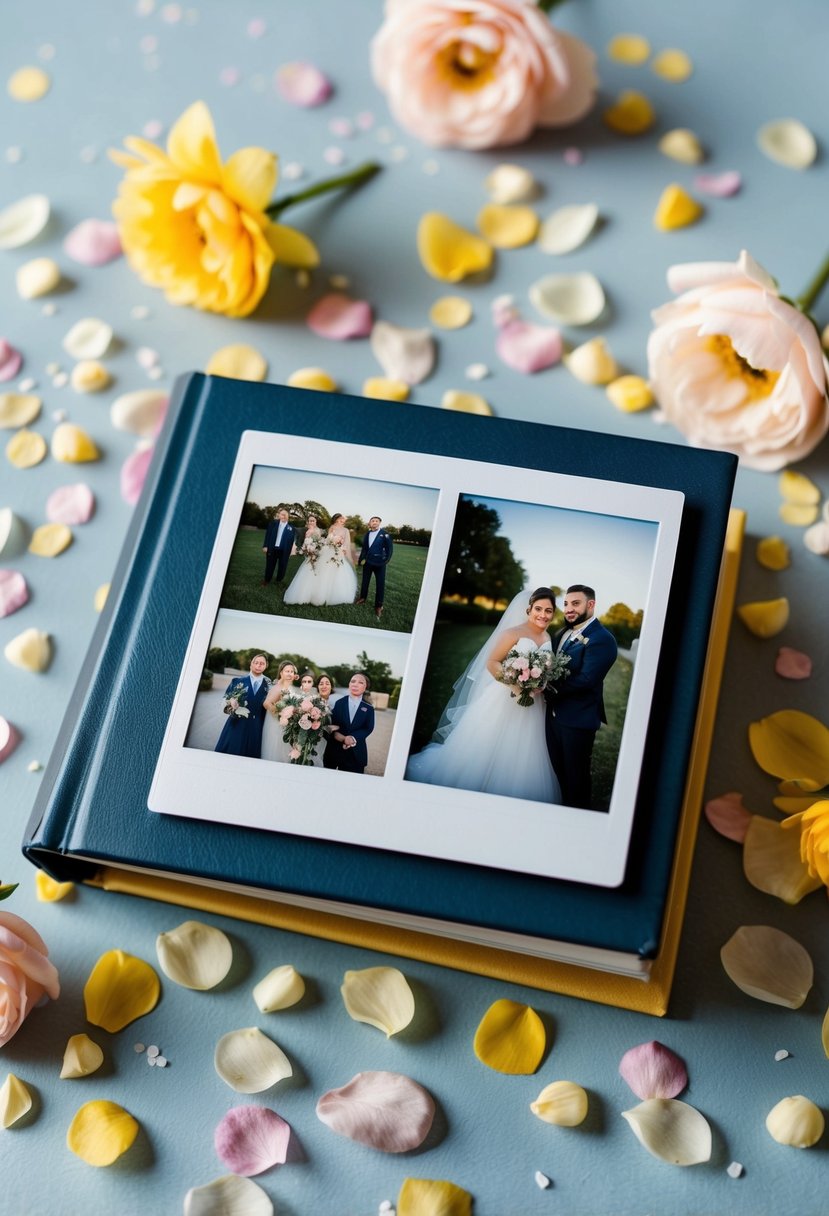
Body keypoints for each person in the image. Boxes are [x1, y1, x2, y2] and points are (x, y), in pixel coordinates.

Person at [406, 588, 561, 802]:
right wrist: (515, 685)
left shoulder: (546, 636)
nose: (543, 615)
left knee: (524, 749)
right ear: (529, 609)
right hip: (505, 697)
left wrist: (540, 682)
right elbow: (492, 662)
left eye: (549, 610)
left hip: (533, 705)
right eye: (538, 609)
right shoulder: (513, 633)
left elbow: (545, 667)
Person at [544, 584, 618, 809]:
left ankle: (577, 817)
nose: (569, 609)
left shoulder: (602, 639)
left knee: (576, 778)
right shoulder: (561, 632)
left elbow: (587, 679)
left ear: (591, 604)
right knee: (555, 772)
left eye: (575, 603)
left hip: (577, 720)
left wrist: (545, 686)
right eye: (566, 604)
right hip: (551, 716)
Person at [284, 512, 357, 606]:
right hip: (329, 551)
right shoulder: (332, 527)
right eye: (340, 519)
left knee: (338, 572)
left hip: (339, 552)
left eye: (343, 519)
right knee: (323, 571)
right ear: (336, 519)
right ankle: (319, 593)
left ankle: (337, 594)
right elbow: (327, 540)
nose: (342, 521)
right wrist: (331, 542)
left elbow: (347, 542)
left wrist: (343, 548)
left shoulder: (346, 530)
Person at [214, 654, 271, 758]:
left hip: (256, 727)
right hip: (236, 725)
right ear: (251, 664)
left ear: (266, 666)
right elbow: (225, 699)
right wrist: (230, 702)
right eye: (256, 662)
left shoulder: (269, 686)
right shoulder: (237, 681)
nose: (258, 665)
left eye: (262, 663)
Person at [325, 672, 375, 773]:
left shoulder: (369, 709)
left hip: (355, 753)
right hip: (335, 751)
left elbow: (368, 728)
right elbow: (332, 725)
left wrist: (352, 738)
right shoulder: (339, 703)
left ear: (365, 688)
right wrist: (341, 737)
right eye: (353, 681)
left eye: (360, 682)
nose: (355, 684)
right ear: (349, 685)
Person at [261, 660, 299, 763]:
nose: (290, 674)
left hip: (286, 726)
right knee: (277, 752)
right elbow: (266, 703)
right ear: (281, 673)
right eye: (287, 671)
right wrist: (281, 714)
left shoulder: (290, 688)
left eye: (292, 671)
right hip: (276, 725)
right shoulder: (277, 688)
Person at [356, 515, 393, 619]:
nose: (375, 522)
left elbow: (389, 549)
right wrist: (360, 560)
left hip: (380, 564)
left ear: (379, 523)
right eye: (373, 521)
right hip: (368, 562)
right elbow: (364, 548)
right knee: (365, 581)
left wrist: (386, 560)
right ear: (370, 523)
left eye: (377, 521)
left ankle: (379, 605)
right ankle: (363, 598)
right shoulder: (367, 534)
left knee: (380, 584)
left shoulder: (385, 534)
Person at [262, 509, 295, 588]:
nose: (283, 516)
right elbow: (268, 535)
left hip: (284, 551)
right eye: (282, 514)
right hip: (272, 549)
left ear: (288, 517)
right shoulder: (273, 524)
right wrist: (265, 546)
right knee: (270, 565)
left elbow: (292, 541)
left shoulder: (291, 528)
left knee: (282, 566)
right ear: (279, 515)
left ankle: (278, 581)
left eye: (285, 515)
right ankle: (266, 580)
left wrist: (291, 551)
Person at [316, 672, 338, 769]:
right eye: (321, 684)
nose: (324, 686)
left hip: (330, 746)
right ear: (317, 687)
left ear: (331, 687)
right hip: (314, 743)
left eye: (327, 683)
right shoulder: (311, 702)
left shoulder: (337, 705)